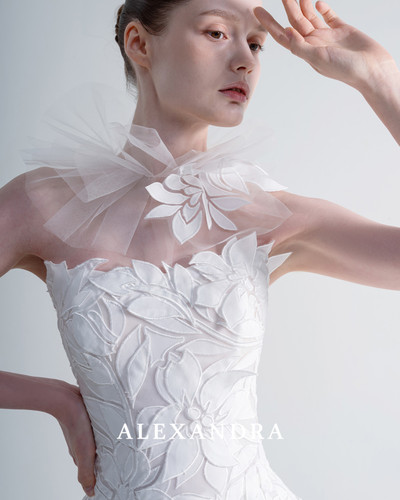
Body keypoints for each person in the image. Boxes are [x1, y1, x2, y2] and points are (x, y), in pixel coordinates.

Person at [0, 0, 399, 498]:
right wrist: (55, 399)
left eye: (256, 43)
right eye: (216, 33)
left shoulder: (269, 214)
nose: (245, 60)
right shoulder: (39, 204)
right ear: (139, 44)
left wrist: (379, 80)